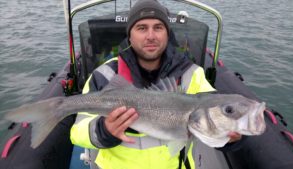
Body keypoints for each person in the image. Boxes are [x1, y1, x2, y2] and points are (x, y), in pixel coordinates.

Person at [70, 0, 242, 168]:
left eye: (158, 27)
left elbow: (216, 112)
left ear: (168, 33)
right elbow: (77, 133)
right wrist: (104, 130)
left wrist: (230, 137)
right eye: (142, 28)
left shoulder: (192, 74)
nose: (151, 36)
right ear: (130, 35)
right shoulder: (104, 75)